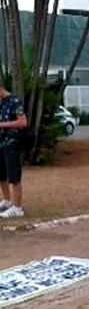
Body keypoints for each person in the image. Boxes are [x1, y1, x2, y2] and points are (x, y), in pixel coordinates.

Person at [0, 82, 28, 219]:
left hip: (12, 142)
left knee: (14, 175)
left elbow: (23, 122)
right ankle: (6, 200)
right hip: (1, 143)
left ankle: (17, 207)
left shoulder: (14, 101)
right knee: (1, 174)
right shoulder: (1, 104)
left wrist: (3, 125)